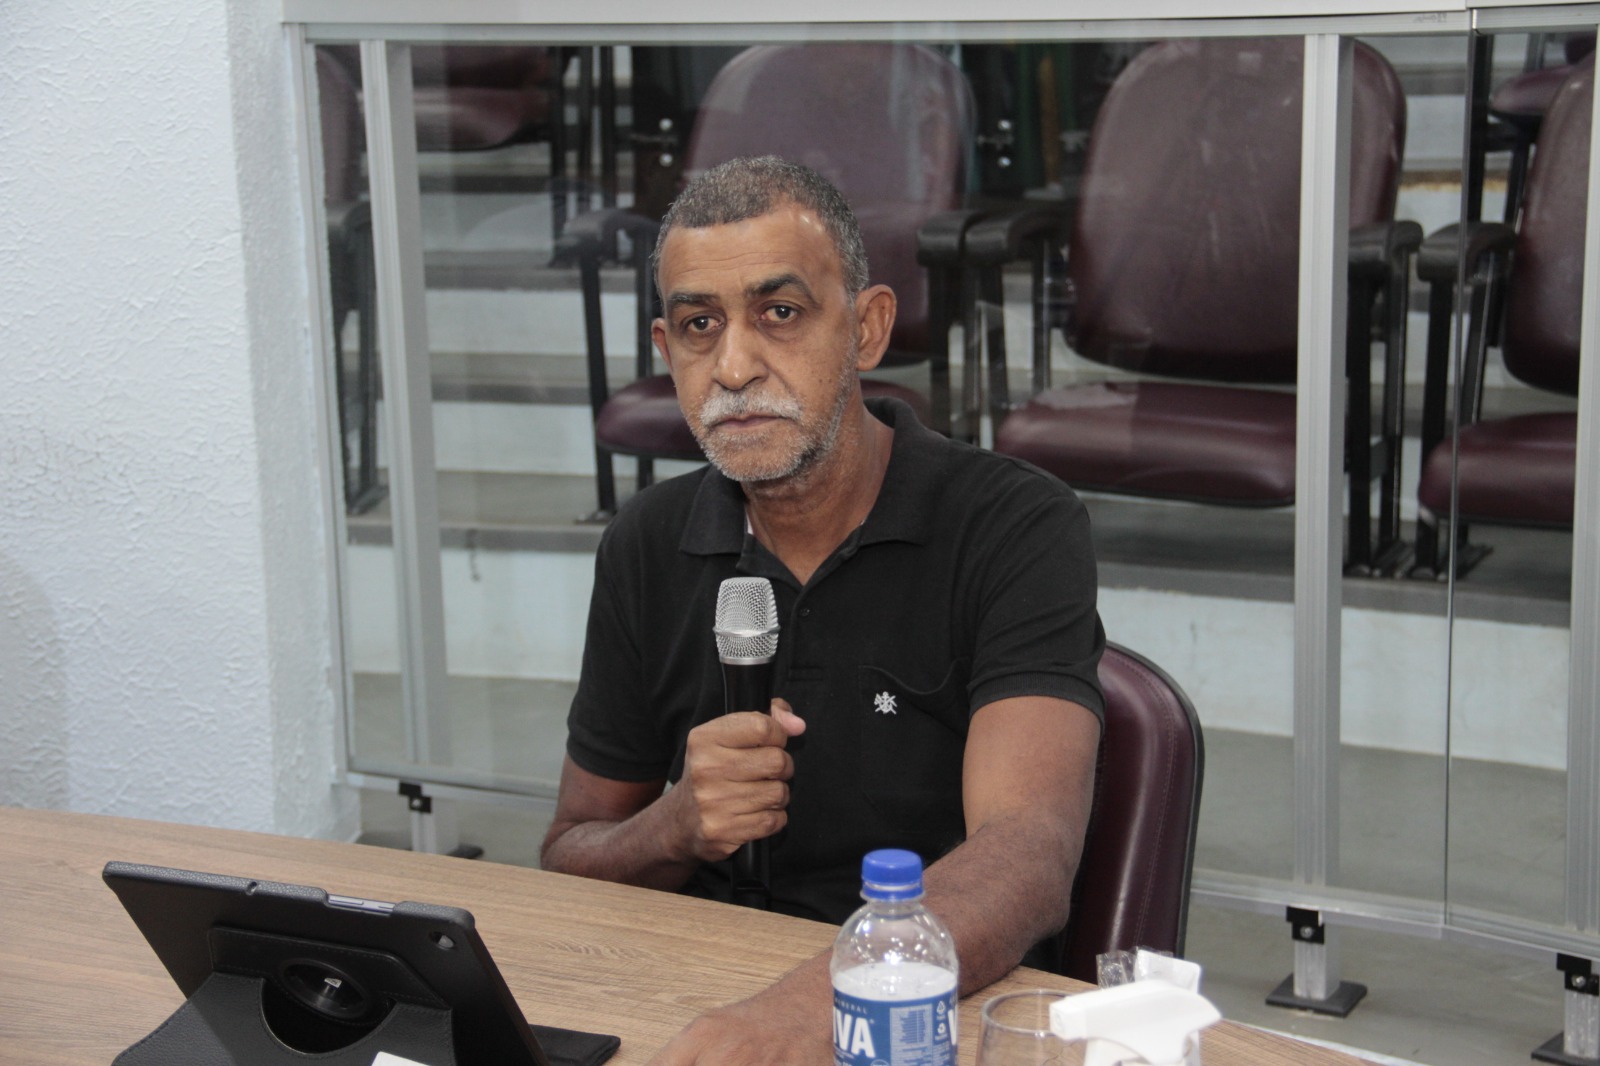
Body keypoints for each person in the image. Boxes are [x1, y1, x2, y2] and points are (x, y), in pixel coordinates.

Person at [540, 155, 1105, 1065]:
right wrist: (674, 826)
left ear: (867, 329)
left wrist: (803, 1014)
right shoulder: (646, 542)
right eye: (699, 325)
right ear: (666, 352)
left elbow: (1030, 855)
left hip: (922, 1014)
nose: (733, 367)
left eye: (780, 312)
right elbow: (571, 852)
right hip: (694, 1002)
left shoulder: (1012, 524)